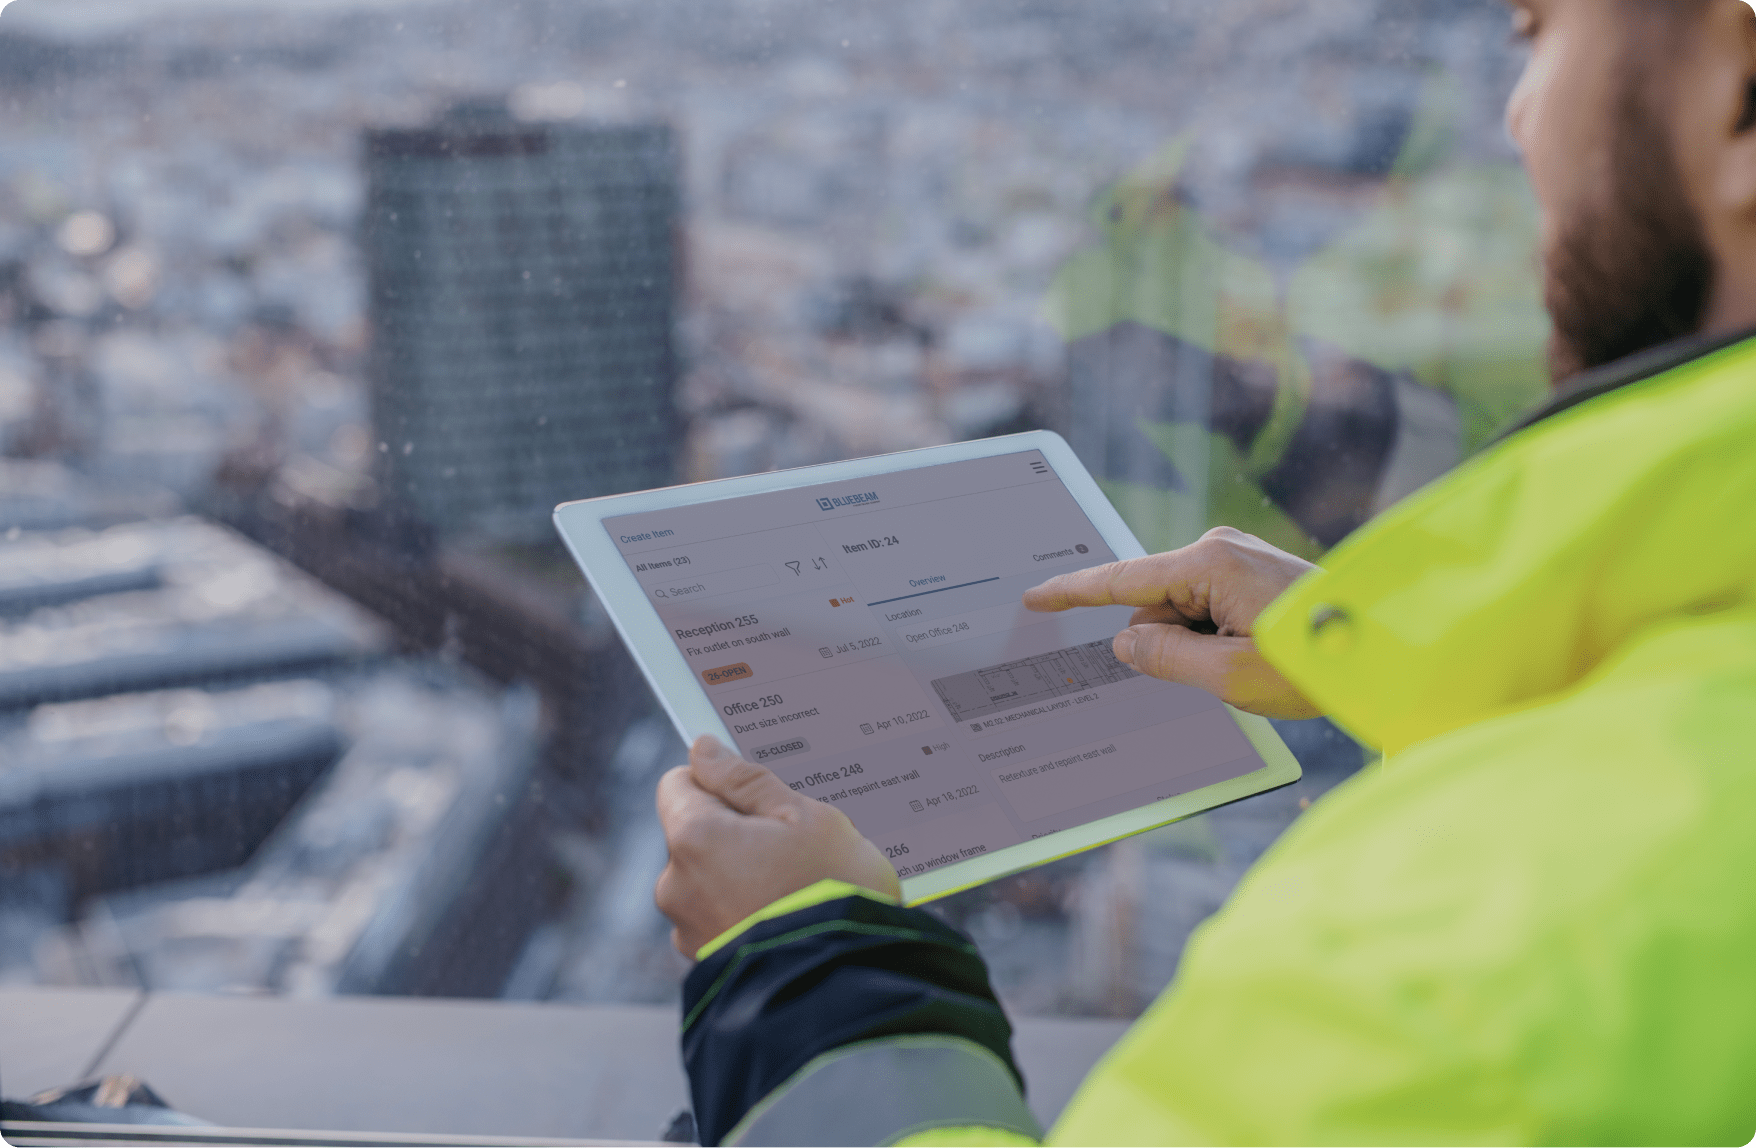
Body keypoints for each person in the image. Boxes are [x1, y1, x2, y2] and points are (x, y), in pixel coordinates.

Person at [653, 2, 1756, 1143]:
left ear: (1741, 93)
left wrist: (805, 975)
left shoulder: (1477, 957)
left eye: (1538, 33)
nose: (1517, 116)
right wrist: (1387, 653)